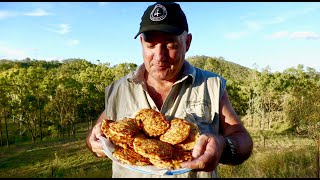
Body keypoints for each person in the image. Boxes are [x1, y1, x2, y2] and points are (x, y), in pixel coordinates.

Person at [86, 2, 253, 178]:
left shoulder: (210, 85)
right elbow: (96, 133)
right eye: (151, 45)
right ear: (142, 42)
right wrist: (94, 142)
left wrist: (222, 146)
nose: (159, 56)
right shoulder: (120, 90)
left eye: (170, 44)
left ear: (187, 43)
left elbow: (242, 140)